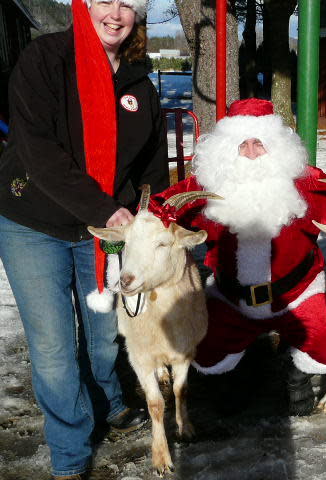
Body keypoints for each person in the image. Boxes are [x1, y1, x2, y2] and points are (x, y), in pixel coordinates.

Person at [0, 0, 169, 476]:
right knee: (54, 349)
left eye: (127, 5)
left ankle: (109, 400)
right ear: (82, 7)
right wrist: (105, 209)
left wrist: (151, 217)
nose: (115, 14)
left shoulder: (138, 82)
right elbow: (37, 149)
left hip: (105, 230)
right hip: (34, 222)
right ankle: (71, 455)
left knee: (102, 337)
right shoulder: (46, 60)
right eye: (104, 2)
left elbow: (151, 165)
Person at [154, 98, 326, 416]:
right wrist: (147, 218)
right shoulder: (204, 188)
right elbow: (163, 208)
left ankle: (297, 379)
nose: (251, 152)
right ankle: (235, 381)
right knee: (205, 353)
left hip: (297, 296)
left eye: (260, 143)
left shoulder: (307, 184)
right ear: (225, 150)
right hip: (231, 298)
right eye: (242, 145)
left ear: (277, 147)